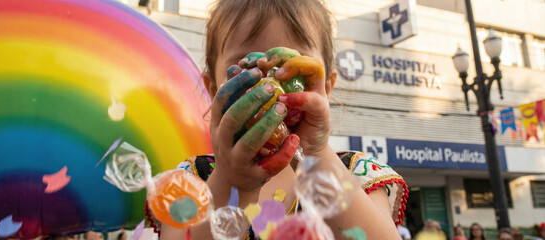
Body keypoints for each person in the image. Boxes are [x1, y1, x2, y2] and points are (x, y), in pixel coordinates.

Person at [147, 0, 408, 239]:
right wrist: (231, 181)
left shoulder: (355, 174)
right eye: (249, 69)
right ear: (215, 90)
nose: (270, 83)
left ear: (326, 89)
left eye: (293, 68)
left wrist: (316, 159)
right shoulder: (192, 181)